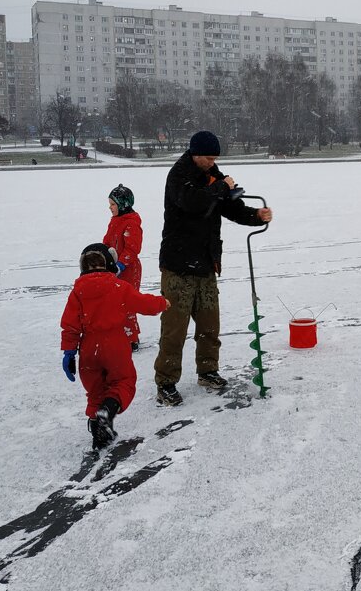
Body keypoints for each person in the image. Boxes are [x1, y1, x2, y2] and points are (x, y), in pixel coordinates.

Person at [153, 130, 273, 406]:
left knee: (209, 324)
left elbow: (230, 207)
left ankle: (207, 370)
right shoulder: (178, 175)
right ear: (195, 154)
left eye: (215, 158)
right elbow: (193, 203)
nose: (212, 162)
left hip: (206, 263)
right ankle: (166, 382)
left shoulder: (213, 174)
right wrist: (221, 187)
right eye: (208, 158)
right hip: (178, 266)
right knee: (175, 329)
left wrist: (255, 215)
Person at [60, 243, 170, 449]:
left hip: (88, 349)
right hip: (115, 345)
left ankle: (98, 434)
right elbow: (143, 303)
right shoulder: (118, 287)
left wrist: (69, 352)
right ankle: (107, 411)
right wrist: (162, 303)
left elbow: (70, 325)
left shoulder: (78, 292)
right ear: (110, 264)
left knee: (95, 391)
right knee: (123, 381)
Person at [103, 184, 145, 351]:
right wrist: (103, 256)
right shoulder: (115, 221)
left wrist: (120, 264)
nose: (110, 207)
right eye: (110, 204)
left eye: (113, 204)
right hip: (114, 268)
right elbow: (107, 241)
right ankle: (120, 333)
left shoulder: (131, 223)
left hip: (129, 269)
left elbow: (132, 249)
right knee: (114, 303)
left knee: (127, 303)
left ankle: (131, 338)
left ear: (122, 204)